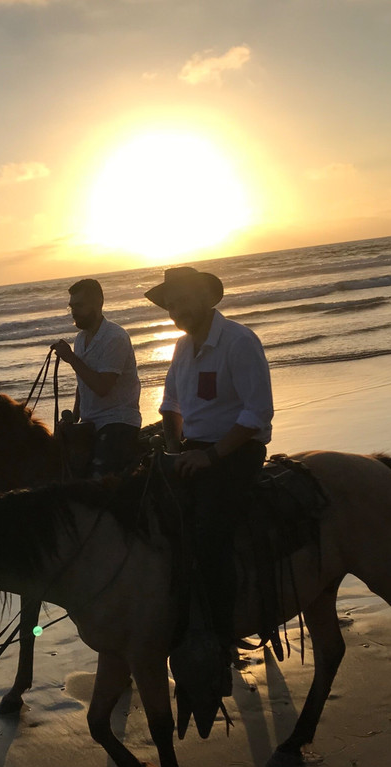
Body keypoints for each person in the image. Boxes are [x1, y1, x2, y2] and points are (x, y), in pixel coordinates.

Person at [146, 265, 274, 687]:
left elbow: (257, 414)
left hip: (237, 450)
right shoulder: (181, 348)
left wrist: (211, 458)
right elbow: (171, 406)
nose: (177, 310)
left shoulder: (238, 342)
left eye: (184, 300)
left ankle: (222, 636)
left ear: (206, 298)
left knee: (208, 534)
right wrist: (171, 451)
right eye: (171, 304)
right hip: (193, 450)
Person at [50, 278, 142, 477]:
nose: (74, 312)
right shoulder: (81, 338)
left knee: (97, 481)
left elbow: (102, 387)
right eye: (72, 306)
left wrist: (71, 359)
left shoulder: (114, 337)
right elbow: (83, 384)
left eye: (80, 305)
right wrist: (74, 418)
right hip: (91, 421)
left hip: (118, 421)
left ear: (98, 303)